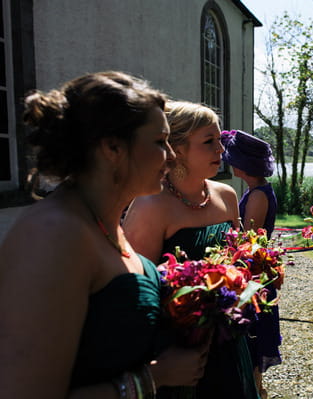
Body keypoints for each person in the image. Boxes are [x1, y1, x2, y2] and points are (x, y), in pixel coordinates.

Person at [0, 71, 207, 398]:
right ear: (112, 147)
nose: (171, 155)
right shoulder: (55, 234)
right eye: (159, 141)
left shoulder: (107, 224)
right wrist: (153, 378)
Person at [123, 101, 259, 399]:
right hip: (181, 348)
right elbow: (138, 291)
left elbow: (239, 257)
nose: (221, 151)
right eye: (209, 142)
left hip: (228, 334)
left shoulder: (226, 194)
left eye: (220, 141)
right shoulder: (151, 204)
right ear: (177, 148)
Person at [221, 130, 281, 399]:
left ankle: (256, 390)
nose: (229, 162)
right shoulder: (254, 190)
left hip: (255, 271)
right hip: (253, 268)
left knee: (254, 336)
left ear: (244, 165)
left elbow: (249, 239)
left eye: (232, 158)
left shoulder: (257, 196)